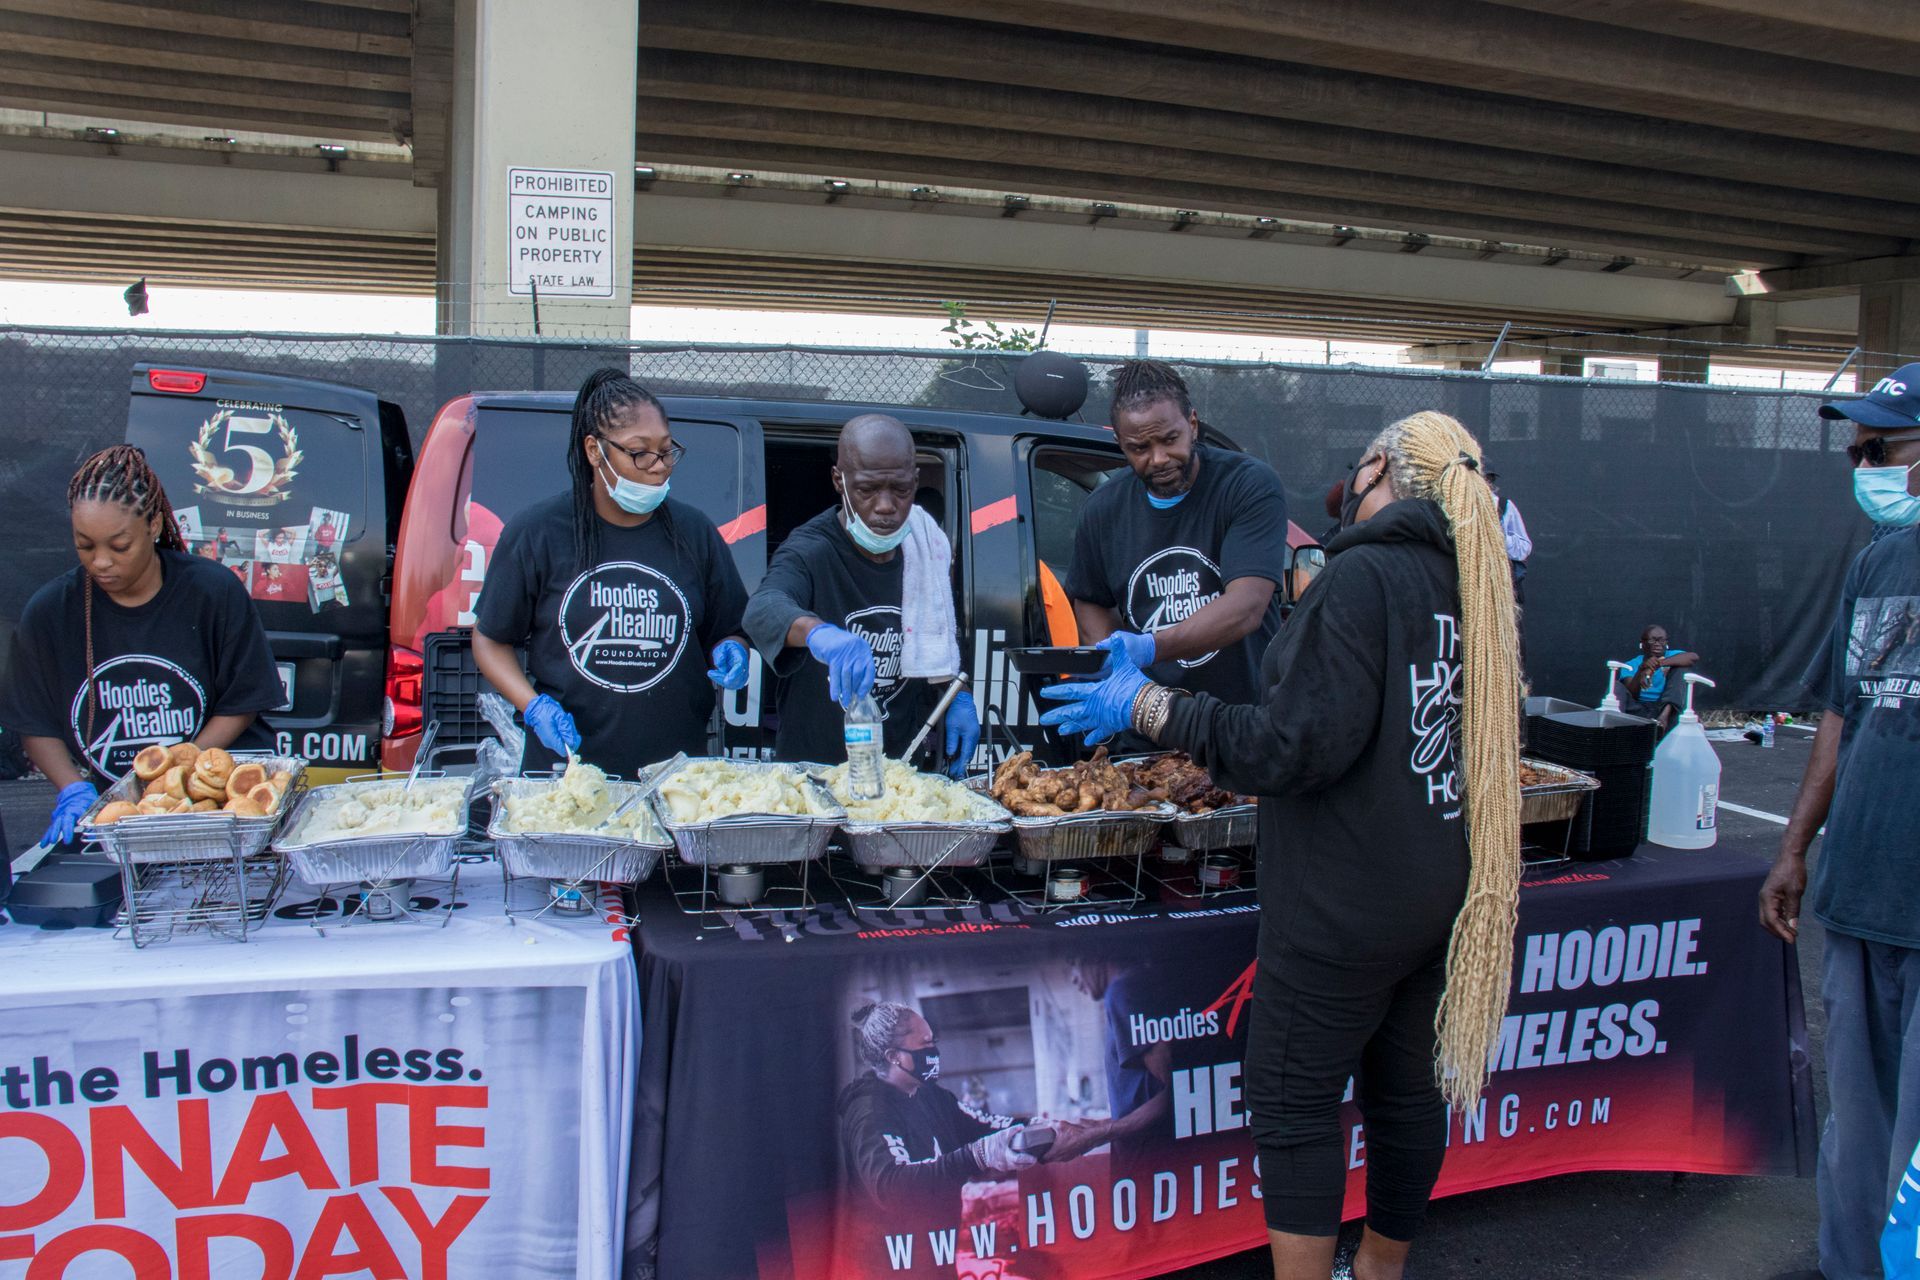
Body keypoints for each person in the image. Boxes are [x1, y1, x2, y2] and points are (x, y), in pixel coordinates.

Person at [1040, 411, 1522, 1280]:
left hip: (1346, 895)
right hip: (1442, 881)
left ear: (1377, 470)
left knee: (1294, 1099)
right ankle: (1379, 1269)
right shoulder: (1471, 578)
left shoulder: (1362, 576)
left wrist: (1152, 708)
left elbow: (1291, 747)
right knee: (1406, 1094)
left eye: (1356, 472)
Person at [1760, 362, 1920, 1280]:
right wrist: (1793, 850)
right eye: (1858, 450)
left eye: (1882, 448)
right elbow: (1838, 714)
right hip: (1859, 892)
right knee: (1857, 1128)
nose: (1863, 465)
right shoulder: (1875, 562)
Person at [472, 368, 751, 778]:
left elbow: (728, 627)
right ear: (594, 450)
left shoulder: (695, 533)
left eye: (667, 450)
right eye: (639, 453)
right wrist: (532, 705)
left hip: (674, 774)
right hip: (568, 773)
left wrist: (733, 647)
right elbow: (490, 640)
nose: (658, 467)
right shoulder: (539, 532)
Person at [0, 446, 282, 846]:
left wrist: (179, 771)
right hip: (119, 817)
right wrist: (72, 789)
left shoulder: (212, 592)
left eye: (118, 546)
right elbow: (34, 722)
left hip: (219, 812)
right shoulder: (51, 611)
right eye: (85, 545)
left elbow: (242, 702)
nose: (100, 562)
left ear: (153, 524)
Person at [744, 414, 980, 776]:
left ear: (915, 482)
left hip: (898, 769)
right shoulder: (811, 549)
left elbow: (938, 629)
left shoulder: (925, 545)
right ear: (839, 480)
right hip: (815, 773)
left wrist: (957, 693)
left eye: (900, 490)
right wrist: (817, 632)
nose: (885, 506)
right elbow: (763, 608)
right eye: (867, 490)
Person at [1065, 360, 1291, 708]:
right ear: (1120, 443)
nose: (1158, 458)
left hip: (1239, 720)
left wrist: (1150, 647)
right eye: (1139, 448)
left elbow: (1246, 606)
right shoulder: (1102, 508)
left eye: (1170, 439)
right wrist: (1124, 678)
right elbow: (1091, 599)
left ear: (1193, 424)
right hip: (1149, 719)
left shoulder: (1247, 485)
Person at [837, 1001, 1037, 1269]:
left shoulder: (930, 1095)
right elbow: (893, 1186)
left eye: (934, 1042)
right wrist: (976, 1156)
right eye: (925, 1044)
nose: (934, 1051)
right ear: (894, 1056)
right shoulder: (869, 1112)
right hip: (889, 1268)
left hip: (935, 1256)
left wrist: (1035, 1126)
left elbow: (982, 1126)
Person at [1614, 624, 1699, 735]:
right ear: (1642, 644)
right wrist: (1642, 670)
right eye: (1652, 641)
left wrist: (1658, 664)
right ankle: (1614, 728)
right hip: (1639, 709)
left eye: (1661, 641)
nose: (1658, 644)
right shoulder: (1631, 664)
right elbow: (1632, 694)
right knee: (1616, 686)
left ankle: (1662, 720)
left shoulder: (1672, 656)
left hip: (1664, 710)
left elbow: (1693, 657)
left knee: (1682, 670)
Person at [1485, 470, 1531, 604]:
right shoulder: (1456, 504)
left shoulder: (1503, 505)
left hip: (1500, 584)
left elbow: (1524, 548)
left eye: (1489, 479)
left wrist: (1500, 538)